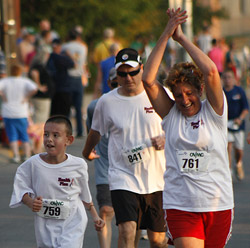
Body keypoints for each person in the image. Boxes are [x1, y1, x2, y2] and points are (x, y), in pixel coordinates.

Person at [142, 8, 234, 248]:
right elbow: (148, 80)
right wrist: (167, 33)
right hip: (181, 204)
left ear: (199, 92)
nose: (184, 100)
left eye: (189, 93)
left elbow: (211, 71)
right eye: (178, 95)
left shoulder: (214, 112)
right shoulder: (171, 114)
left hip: (217, 203)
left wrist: (182, 39)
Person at [82, 48, 168, 248]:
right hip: (123, 176)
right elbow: (95, 132)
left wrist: (165, 137)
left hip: (157, 178)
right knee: (127, 231)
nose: (128, 77)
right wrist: (87, 152)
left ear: (142, 69)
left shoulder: (158, 94)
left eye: (133, 72)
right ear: (116, 75)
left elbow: (177, 125)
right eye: (122, 74)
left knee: (157, 240)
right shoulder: (107, 102)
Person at [9, 115, 105, 247]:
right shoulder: (32, 164)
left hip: (73, 223)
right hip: (45, 226)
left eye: (55, 135)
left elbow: (84, 193)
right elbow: (21, 187)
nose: (49, 139)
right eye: (46, 134)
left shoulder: (78, 165)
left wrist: (95, 216)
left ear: (69, 140)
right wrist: (30, 202)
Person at [86, 68, 118, 248]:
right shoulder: (94, 106)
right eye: (114, 83)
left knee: (130, 220)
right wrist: (88, 150)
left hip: (132, 170)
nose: (117, 87)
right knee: (105, 210)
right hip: (105, 168)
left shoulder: (139, 105)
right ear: (109, 84)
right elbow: (91, 132)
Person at [0, 64, 37, 162]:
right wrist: (26, 97)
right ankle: (27, 155)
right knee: (24, 135)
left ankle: (16, 156)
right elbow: (34, 88)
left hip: (8, 112)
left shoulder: (5, 81)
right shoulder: (24, 81)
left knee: (12, 136)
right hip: (21, 112)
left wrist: (3, 96)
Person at [223, 69, 249, 180]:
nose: (228, 80)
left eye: (230, 77)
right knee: (228, 147)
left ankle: (238, 163)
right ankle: (229, 171)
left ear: (234, 79)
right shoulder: (221, 92)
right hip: (226, 125)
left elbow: (245, 108)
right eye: (225, 77)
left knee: (239, 150)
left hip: (238, 125)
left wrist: (240, 118)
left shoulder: (239, 91)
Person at [62, 28, 88, 137]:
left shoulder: (65, 47)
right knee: (78, 106)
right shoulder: (83, 47)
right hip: (78, 77)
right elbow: (83, 62)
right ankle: (80, 130)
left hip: (67, 77)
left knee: (67, 106)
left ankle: (68, 130)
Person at [47, 38, 75, 117]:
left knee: (54, 115)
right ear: (59, 46)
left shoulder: (49, 58)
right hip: (64, 89)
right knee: (64, 115)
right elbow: (73, 64)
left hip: (53, 90)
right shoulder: (62, 58)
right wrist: (69, 55)